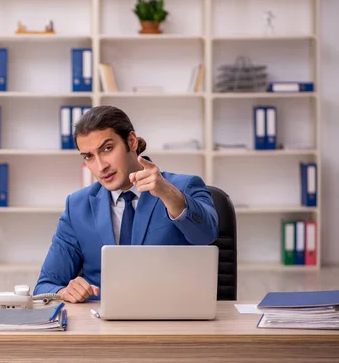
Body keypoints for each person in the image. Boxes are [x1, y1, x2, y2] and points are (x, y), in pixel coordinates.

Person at [33, 105, 219, 303]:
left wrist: (168, 193)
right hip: (103, 325)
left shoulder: (184, 186)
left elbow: (206, 234)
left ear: (131, 141)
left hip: (171, 317)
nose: (100, 166)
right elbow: (45, 285)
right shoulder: (77, 206)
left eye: (107, 149)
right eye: (89, 157)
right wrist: (63, 291)